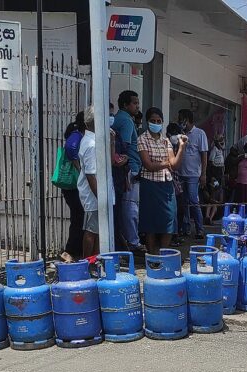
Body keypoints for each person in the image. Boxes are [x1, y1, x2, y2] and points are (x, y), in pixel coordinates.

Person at [137, 107, 187, 254]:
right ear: (147, 122)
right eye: (153, 121)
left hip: (166, 184)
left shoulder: (165, 141)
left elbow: (175, 165)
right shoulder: (142, 139)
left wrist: (182, 148)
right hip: (149, 184)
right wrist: (167, 163)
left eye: (159, 121)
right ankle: (152, 254)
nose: (156, 123)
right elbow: (149, 165)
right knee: (150, 221)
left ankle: (164, 253)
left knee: (170, 218)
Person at [77, 105, 117, 257]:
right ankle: (89, 262)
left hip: (99, 193)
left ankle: (95, 260)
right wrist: (101, 200)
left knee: (98, 231)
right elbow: (90, 175)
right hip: (95, 196)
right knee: (92, 231)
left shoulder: (96, 140)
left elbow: (110, 162)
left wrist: (112, 141)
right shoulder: (92, 144)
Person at [112, 90, 146, 254]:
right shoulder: (126, 121)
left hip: (128, 168)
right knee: (131, 208)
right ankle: (133, 242)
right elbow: (124, 148)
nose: (137, 106)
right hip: (130, 169)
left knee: (127, 207)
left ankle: (128, 240)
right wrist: (129, 170)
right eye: (134, 103)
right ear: (125, 105)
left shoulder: (121, 119)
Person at [175, 109, 209, 239]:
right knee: (183, 204)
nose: (179, 121)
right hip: (180, 173)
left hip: (193, 174)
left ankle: (200, 229)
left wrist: (203, 174)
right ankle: (186, 228)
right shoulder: (179, 135)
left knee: (194, 201)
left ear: (187, 119)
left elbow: (204, 155)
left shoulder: (200, 133)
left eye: (180, 119)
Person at [59, 112, 86, 261]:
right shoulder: (77, 135)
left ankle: (75, 251)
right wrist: (80, 169)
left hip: (75, 186)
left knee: (79, 217)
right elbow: (70, 148)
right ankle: (70, 251)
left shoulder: (79, 134)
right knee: (79, 218)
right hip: (74, 186)